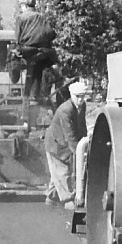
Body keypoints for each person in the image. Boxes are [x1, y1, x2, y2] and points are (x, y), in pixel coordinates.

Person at [44, 80, 88, 208]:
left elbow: (82, 126)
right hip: (56, 145)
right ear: (71, 95)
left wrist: (85, 141)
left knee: (57, 175)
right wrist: (80, 153)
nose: (80, 99)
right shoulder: (66, 110)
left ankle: (51, 198)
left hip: (63, 144)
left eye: (82, 96)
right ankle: (68, 200)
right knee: (63, 172)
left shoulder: (82, 106)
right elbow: (70, 135)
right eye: (77, 96)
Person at [14, 0, 58, 108]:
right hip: (42, 52)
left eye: (21, 6)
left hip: (27, 51)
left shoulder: (21, 17)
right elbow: (51, 34)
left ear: (25, 6)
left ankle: (26, 93)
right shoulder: (42, 17)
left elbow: (17, 38)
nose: (21, 8)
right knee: (49, 67)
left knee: (14, 60)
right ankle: (43, 95)